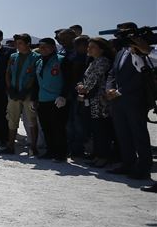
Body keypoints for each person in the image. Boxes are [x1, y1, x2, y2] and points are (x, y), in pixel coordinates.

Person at [105, 27, 156, 181]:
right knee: (123, 134)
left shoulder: (143, 51)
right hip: (117, 100)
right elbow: (113, 73)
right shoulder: (121, 52)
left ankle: (143, 168)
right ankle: (128, 163)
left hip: (134, 99)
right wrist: (109, 88)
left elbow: (143, 75)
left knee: (139, 134)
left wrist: (120, 91)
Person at [0, 33, 40, 156]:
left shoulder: (36, 57)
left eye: (20, 43)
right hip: (13, 92)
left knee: (31, 119)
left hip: (28, 93)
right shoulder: (13, 56)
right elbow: (8, 72)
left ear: (28, 44)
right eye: (16, 43)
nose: (17, 45)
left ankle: (33, 147)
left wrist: (25, 91)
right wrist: (10, 88)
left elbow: (34, 76)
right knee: (12, 118)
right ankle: (10, 146)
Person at [76, 37, 113, 168]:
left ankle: (103, 156)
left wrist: (83, 88)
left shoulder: (103, 61)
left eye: (92, 47)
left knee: (101, 130)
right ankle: (97, 154)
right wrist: (80, 86)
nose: (89, 49)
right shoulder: (93, 62)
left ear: (101, 49)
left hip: (99, 102)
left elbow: (93, 80)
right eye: (88, 46)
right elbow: (84, 79)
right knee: (94, 130)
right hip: (90, 100)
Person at [35, 37, 69, 161]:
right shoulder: (39, 62)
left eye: (45, 47)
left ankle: (61, 154)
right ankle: (50, 151)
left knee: (58, 128)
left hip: (56, 99)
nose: (42, 49)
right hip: (42, 99)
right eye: (40, 47)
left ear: (53, 47)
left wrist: (63, 96)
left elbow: (68, 80)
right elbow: (36, 82)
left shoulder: (61, 60)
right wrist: (35, 98)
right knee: (46, 127)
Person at [66, 35, 90, 158]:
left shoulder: (88, 59)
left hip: (81, 94)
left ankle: (78, 149)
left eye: (77, 45)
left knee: (79, 122)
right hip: (71, 93)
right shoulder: (73, 56)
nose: (74, 47)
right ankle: (71, 147)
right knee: (70, 122)